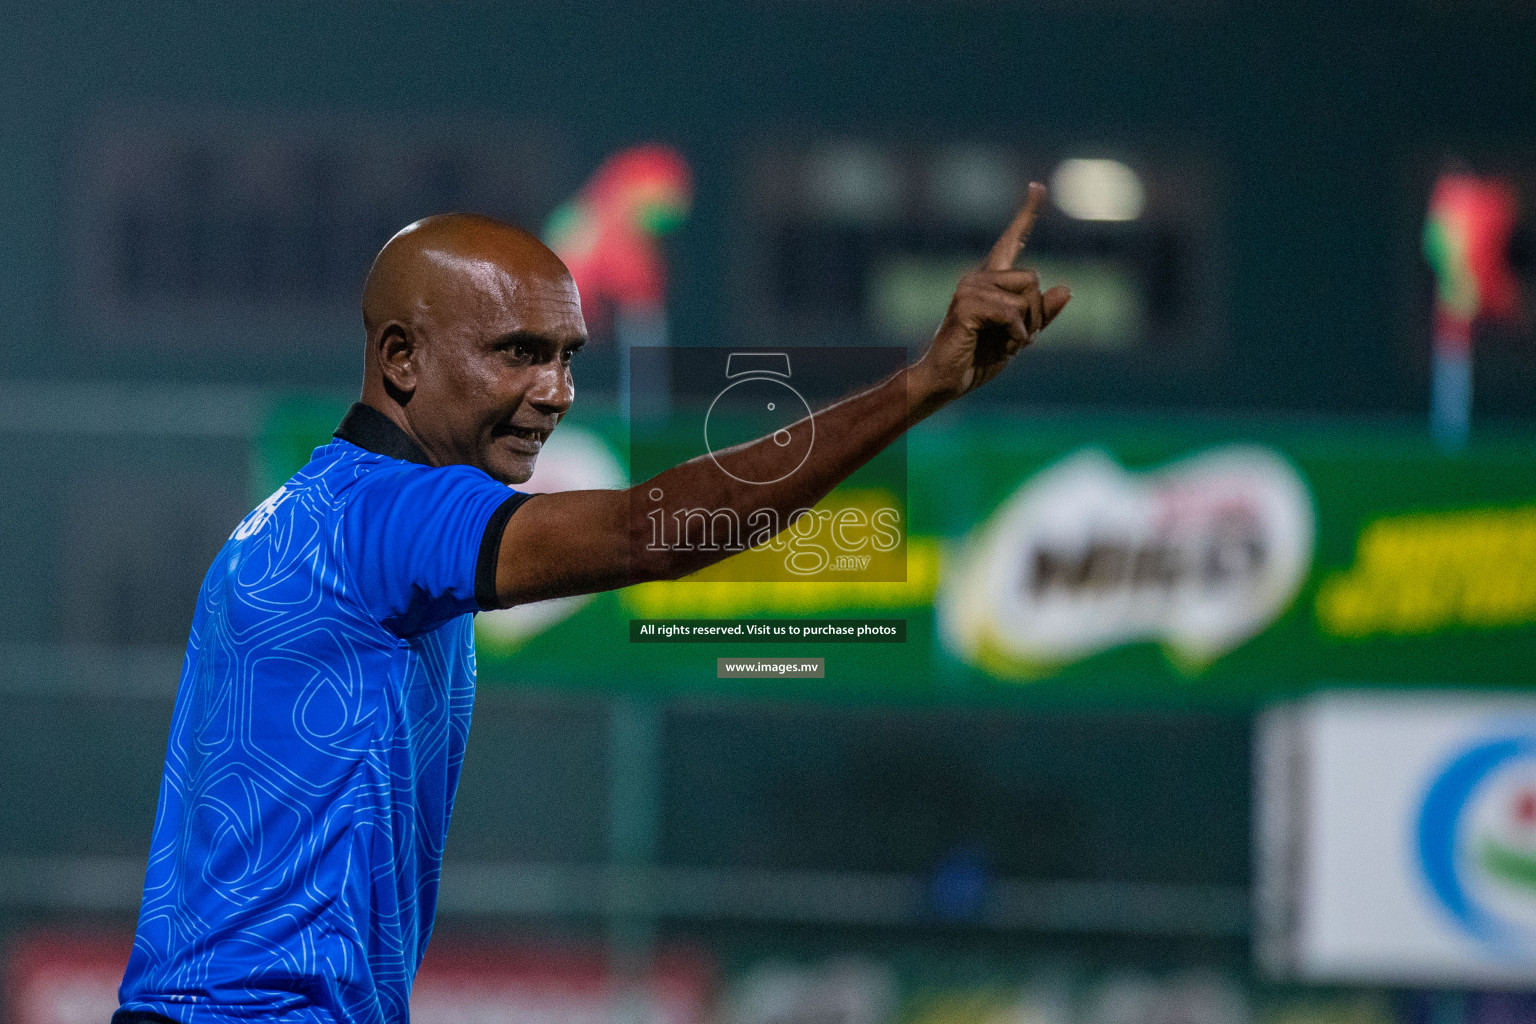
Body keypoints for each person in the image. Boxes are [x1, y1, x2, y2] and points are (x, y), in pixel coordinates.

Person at [112, 184, 1070, 1024]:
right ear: (401, 357)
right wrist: (920, 385)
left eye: (567, 355)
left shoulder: (308, 512)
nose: (556, 391)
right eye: (520, 352)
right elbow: (652, 532)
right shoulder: (385, 517)